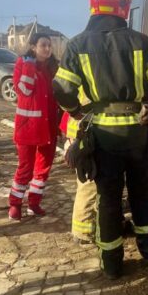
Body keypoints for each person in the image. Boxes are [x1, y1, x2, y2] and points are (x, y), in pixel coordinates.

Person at [53, 0, 148, 279]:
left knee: (108, 199)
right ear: (122, 8)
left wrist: (76, 111)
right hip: (136, 133)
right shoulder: (139, 41)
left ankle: (112, 264)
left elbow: (62, 89)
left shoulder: (77, 45)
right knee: (141, 192)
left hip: (102, 137)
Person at [9, 32, 60, 221]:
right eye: (43, 45)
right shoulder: (22, 64)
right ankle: (15, 204)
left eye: (49, 45)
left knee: (43, 169)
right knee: (25, 168)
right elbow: (24, 90)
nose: (47, 49)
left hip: (48, 127)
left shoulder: (53, 68)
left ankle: (34, 203)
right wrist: (29, 65)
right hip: (28, 128)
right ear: (33, 47)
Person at [59, 102, 96, 245]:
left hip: (80, 134)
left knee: (88, 183)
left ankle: (87, 228)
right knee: (89, 184)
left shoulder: (76, 85)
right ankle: (83, 232)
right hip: (84, 135)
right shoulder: (88, 85)